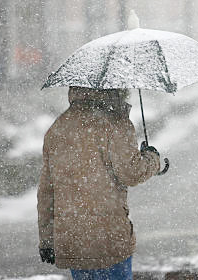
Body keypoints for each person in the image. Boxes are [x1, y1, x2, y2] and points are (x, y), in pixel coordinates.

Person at [37, 86, 161, 279]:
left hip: (73, 241)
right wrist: (152, 158)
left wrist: (47, 239)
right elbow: (132, 172)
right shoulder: (115, 123)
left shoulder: (58, 127)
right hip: (109, 239)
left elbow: (46, 191)